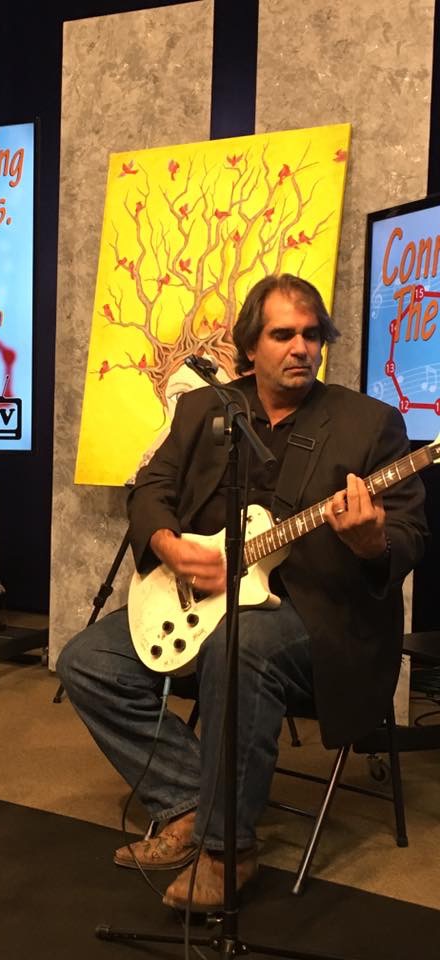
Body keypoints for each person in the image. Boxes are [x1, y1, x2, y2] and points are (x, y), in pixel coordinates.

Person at [57, 273, 427, 910]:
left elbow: (409, 534)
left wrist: (371, 541)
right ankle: (187, 801)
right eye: (283, 335)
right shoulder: (206, 409)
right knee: (88, 661)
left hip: (321, 620)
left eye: (311, 335)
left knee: (243, 643)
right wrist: (170, 546)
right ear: (250, 347)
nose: (301, 348)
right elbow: (150, 489)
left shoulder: (369, 425)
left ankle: (227, 849)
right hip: (207, 603)